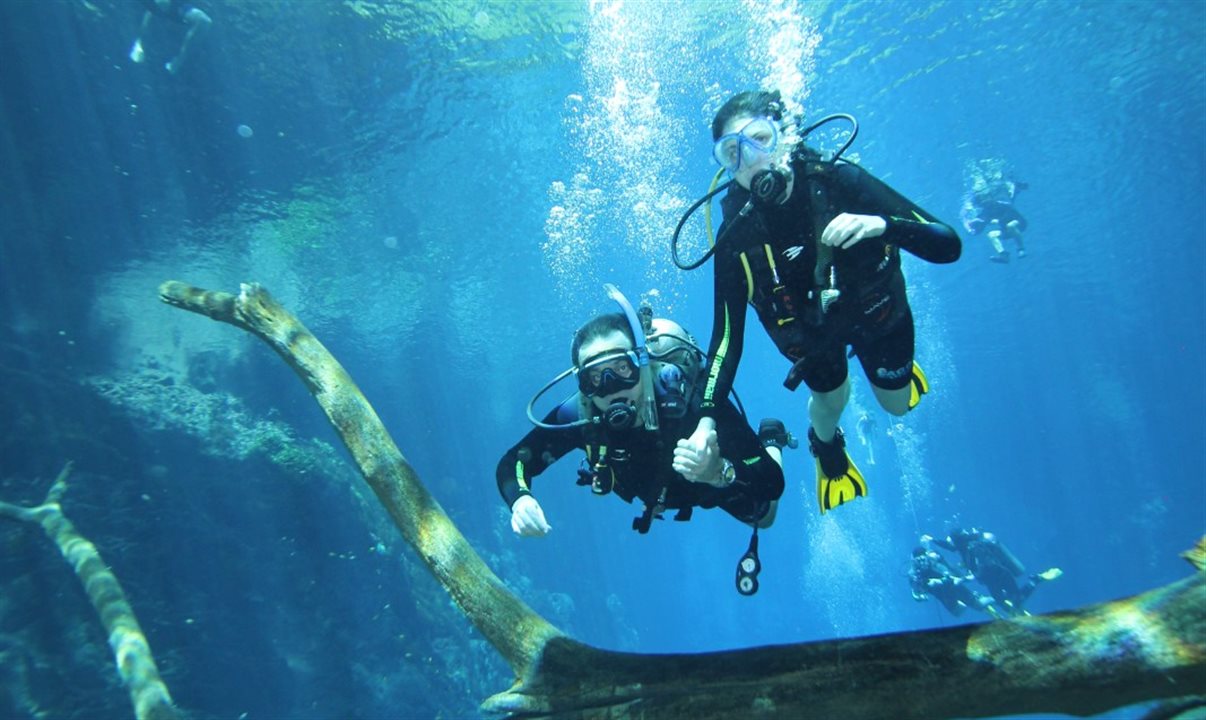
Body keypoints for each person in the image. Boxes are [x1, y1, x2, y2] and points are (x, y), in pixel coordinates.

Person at [681, 89, 961, 516]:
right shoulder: (735, 239)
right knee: (831, 403)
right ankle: (825, 448)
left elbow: (947, 245)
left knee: (897, 406)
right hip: (813, 338)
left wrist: (881, 224)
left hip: (878, 315)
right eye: (732, 153)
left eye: (760, 138)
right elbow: (724, 342)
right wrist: (705, 421)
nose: (751, 159)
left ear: (786, 134)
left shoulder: (838, 181)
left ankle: (895, 378)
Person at [496, 286, 788, 594]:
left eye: (622, 368)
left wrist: (719, 472)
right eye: (595, 378)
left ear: (643, 362)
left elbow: (771, 481)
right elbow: (514, 461)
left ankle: (772, 439)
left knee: (765, 516)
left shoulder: (690, 398)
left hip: (709, 486)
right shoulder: (581, 413)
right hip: (656, 492)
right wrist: (520, 498)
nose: (612, 387)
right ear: (583, 384)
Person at [922, 528, 1062, 616]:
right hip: (991, 581)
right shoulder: (963, 547)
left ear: (957, 541)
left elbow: (983, 569)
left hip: (1001, 576)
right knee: (1001, 602)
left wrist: (965, 578)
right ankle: (1017, 613)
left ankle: (1036, 579)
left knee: (1016, 600)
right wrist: (932, 540)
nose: (951, 544)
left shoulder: (973, 548)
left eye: (952, 541)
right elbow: (950, 547)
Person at [960, 160, 1029, 263]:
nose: (984, 201)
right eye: (982, 199)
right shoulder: (985, 211)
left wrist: (995, 221)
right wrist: (972, 227)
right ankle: (1003, 255)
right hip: (1006, 228)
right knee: (992, 235)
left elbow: (1010, 212)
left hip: (1019, 223)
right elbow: (980, 226)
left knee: (1011, 225)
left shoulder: (1000, 203)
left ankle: (1021, 249)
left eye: (985, 197)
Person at [908, 546, 997, 618]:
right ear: (914, 562)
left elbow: (952, 576)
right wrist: (920, 596)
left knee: (978, 604)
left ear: (927, 557)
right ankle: (984, 600)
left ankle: (997, 599)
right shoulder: (914, 574)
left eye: (923, 559)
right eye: (918, 561)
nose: (922, 563)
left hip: (953, 587)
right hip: (944, 596)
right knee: (958, 611)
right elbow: (915, 592)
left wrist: (940, 581)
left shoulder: (935, 563)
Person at [129, 0, 212, 75]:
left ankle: (179, 60)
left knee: (204, 21)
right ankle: (139, 43)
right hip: (172, 5)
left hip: (182, 6)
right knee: (162, 3)